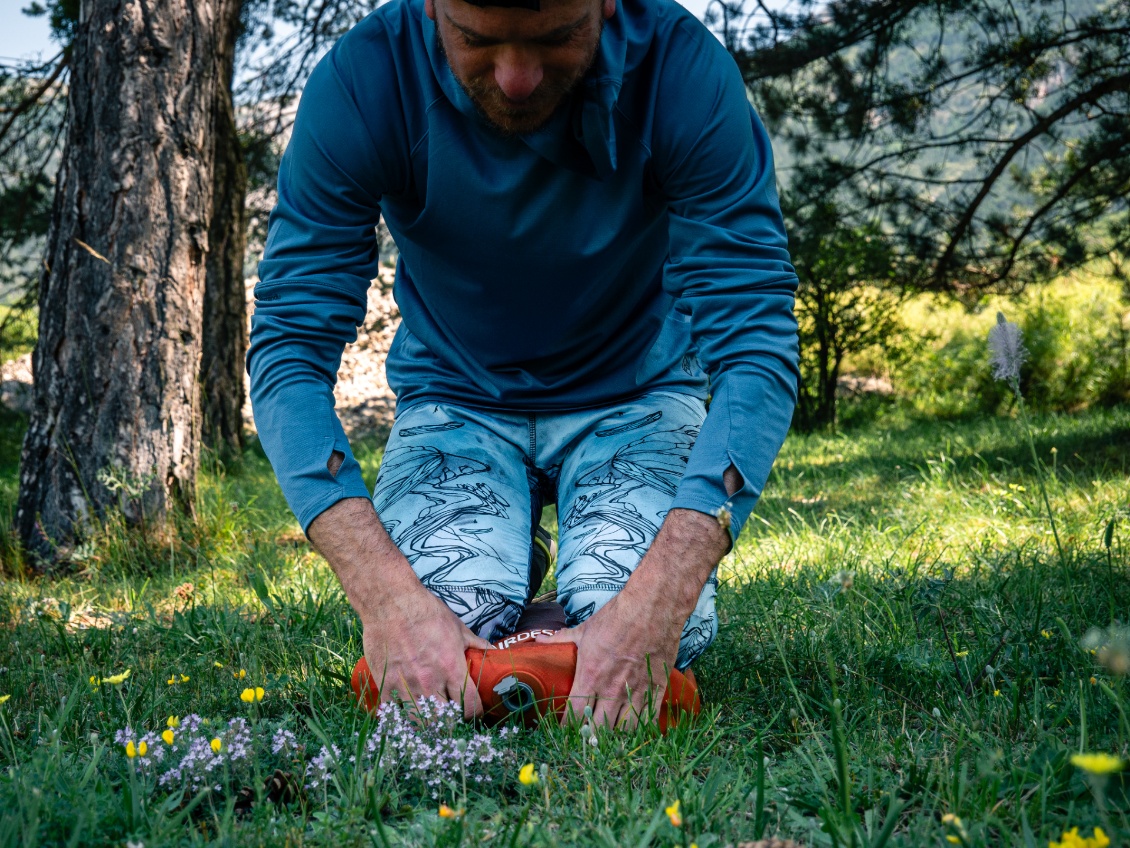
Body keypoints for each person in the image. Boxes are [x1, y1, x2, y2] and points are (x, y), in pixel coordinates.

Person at [247, 0, 800, 729]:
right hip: (456, 401)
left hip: (639, 395)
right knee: (438, 620)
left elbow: (755, 344)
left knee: (657, 622)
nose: (514, 79)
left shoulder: (682, 70)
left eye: (555, 39)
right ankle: (524, 592)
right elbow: (289, 347)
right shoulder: (364, 79)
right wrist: (387, 598)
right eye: (476, 41)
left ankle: (552, 602)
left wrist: (656, 605)